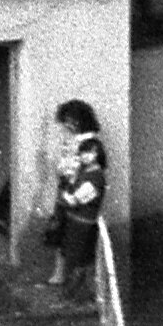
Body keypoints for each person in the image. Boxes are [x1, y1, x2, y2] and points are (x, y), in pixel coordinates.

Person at [42, 100, 102, 288]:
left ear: (80, 120)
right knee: (60, 231)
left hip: (79, 194)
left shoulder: (91, 143)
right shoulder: (70, 140)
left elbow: (90, 170)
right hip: (66, 190)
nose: (67, 125)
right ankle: (59, 273)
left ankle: (77, 278)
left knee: (77, 236)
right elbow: (63, 165)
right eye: (66, 120)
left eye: (71, 120)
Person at [55, 133, 108, 301]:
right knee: (73, 259)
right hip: (74, 223)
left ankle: (73, 296)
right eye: (83, 152)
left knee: (78, 262)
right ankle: (72, 296)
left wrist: (64, 195)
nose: (85, 156)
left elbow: (74, 199)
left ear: (97, 154)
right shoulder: (84, 171)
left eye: (90, 152)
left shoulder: (96, 177)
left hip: (83, 225)